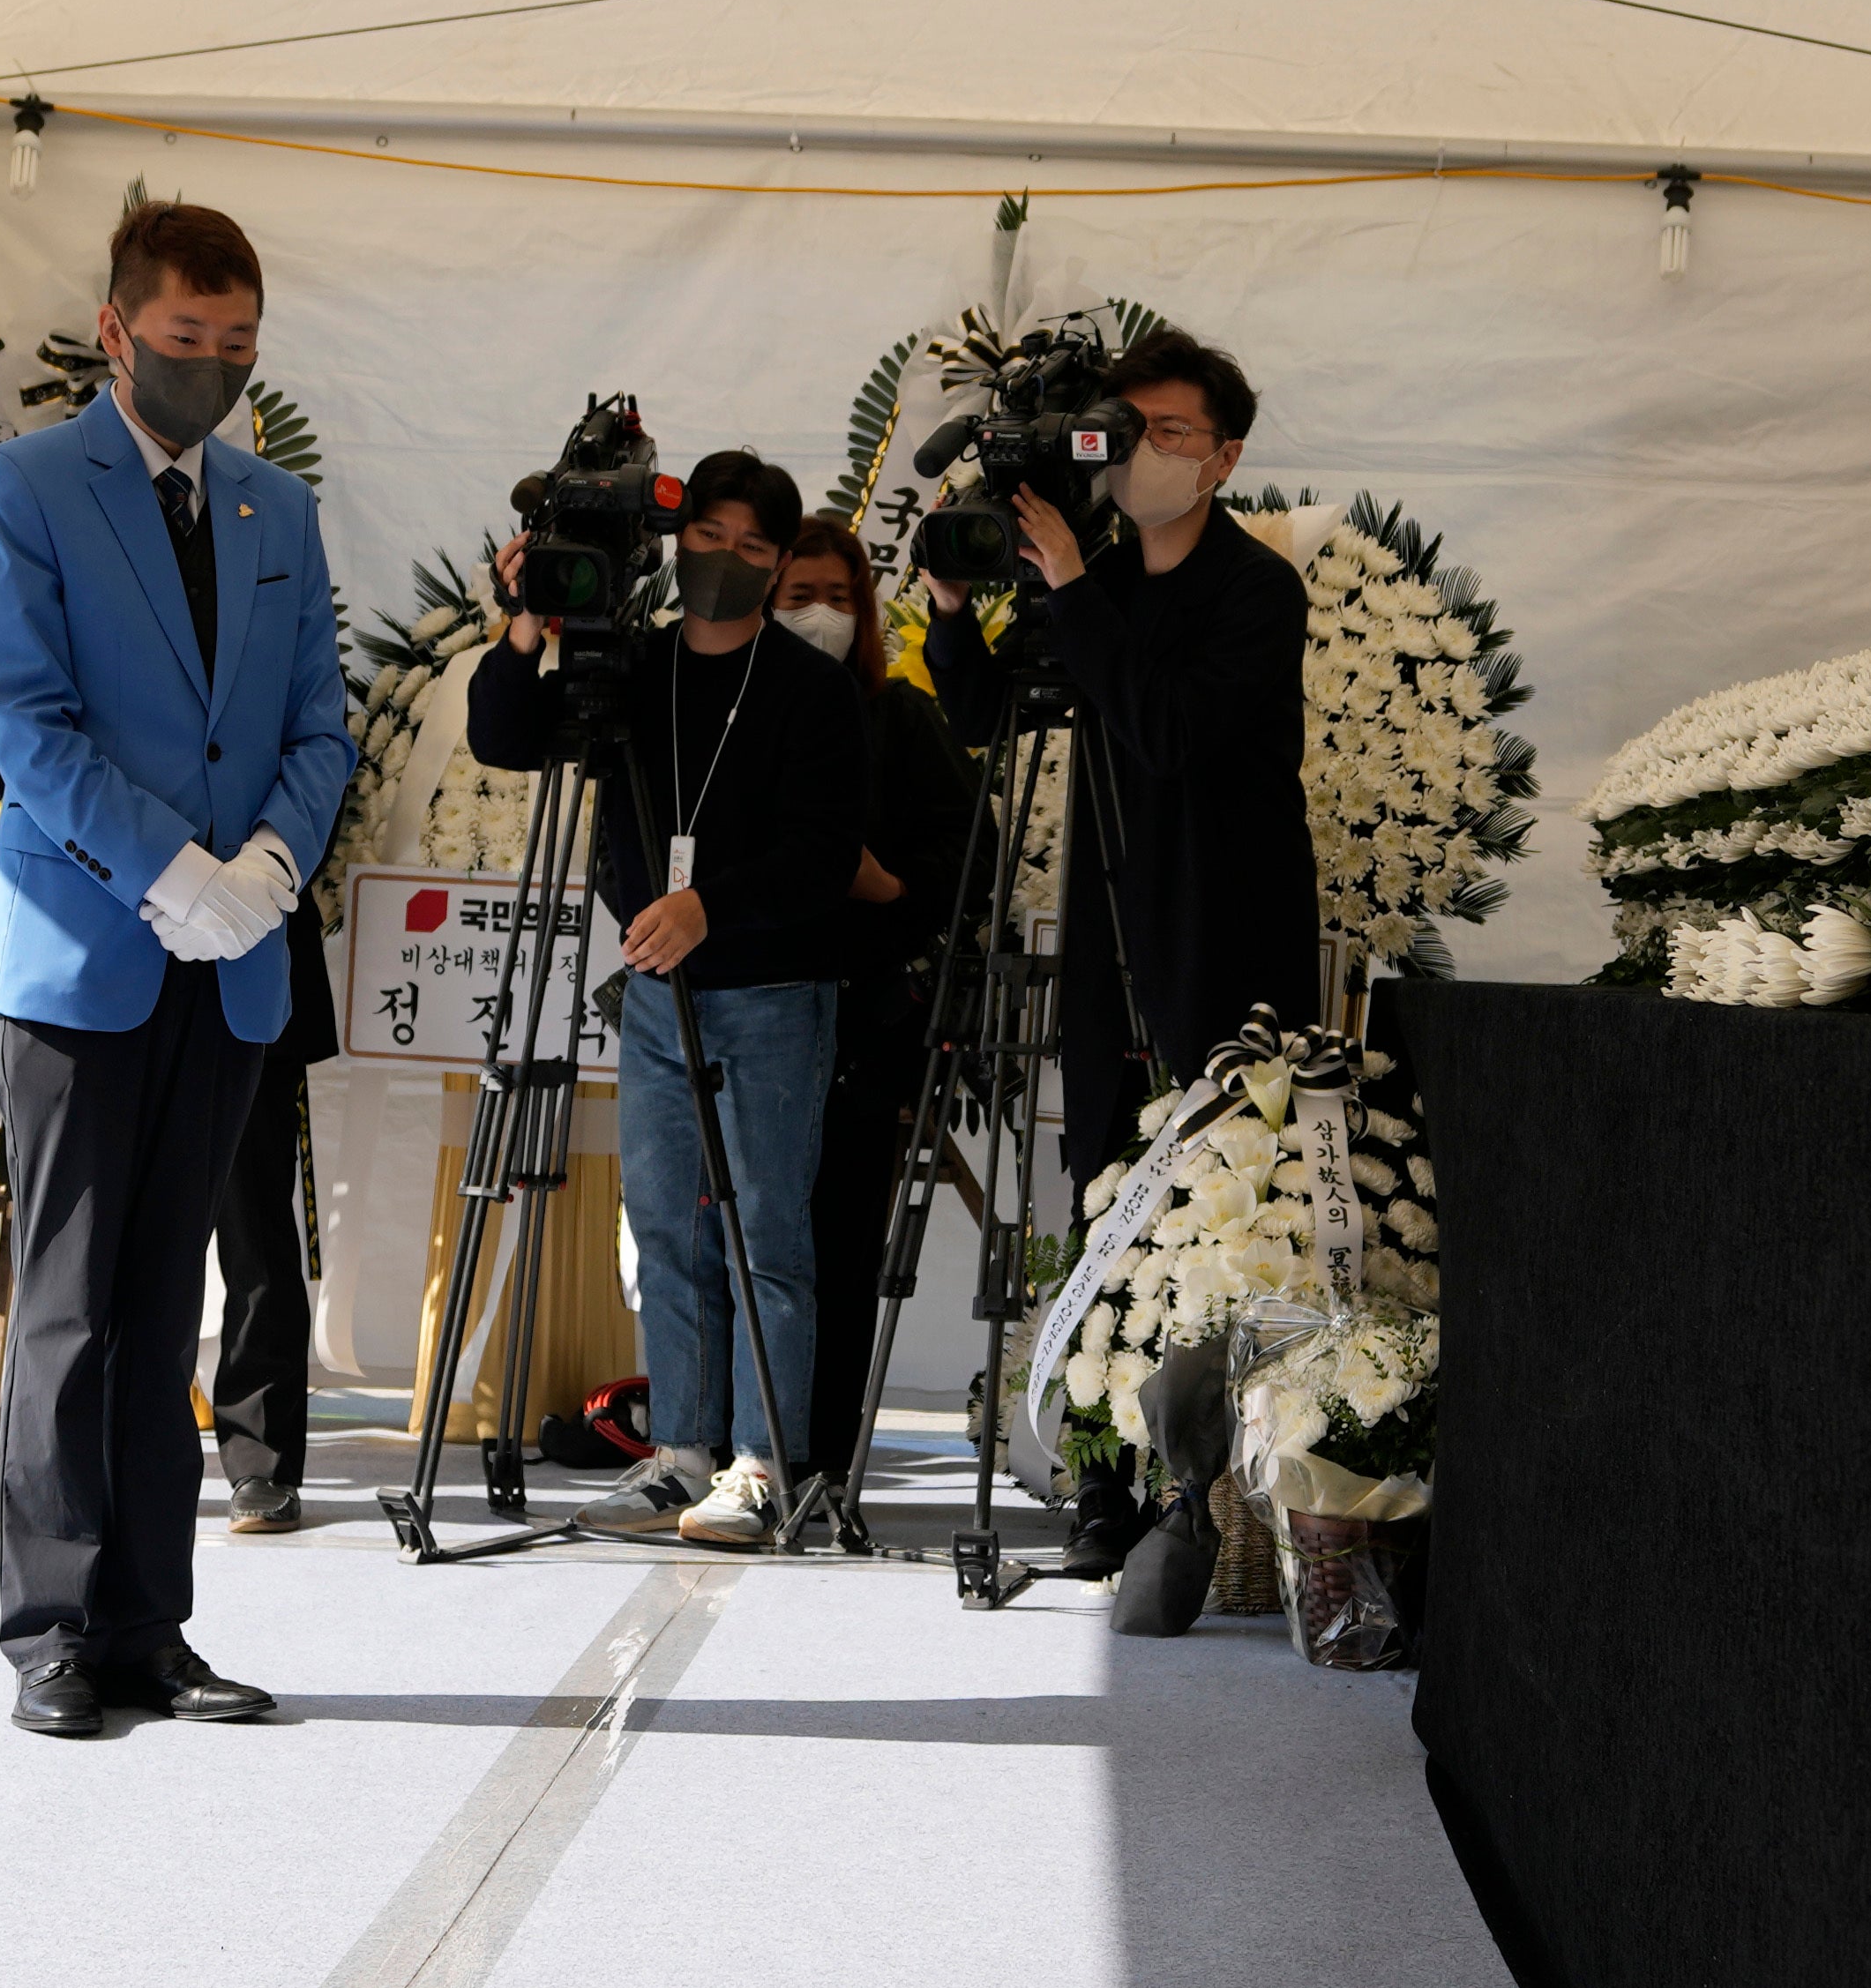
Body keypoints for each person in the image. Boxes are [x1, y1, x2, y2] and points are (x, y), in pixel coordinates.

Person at [0, 201, 351, 1730]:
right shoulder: (24, 488)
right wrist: (164, 869)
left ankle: (148, 1621)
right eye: (185, 342)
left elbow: (318, 719)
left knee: (165, 1292)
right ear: (118, 330)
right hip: (77, 952)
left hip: (230, 955)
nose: (212, 370)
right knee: (66, 1299)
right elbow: (26, 718)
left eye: (237, 347)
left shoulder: (276, 510)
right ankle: (51, 1624)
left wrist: (262, 870)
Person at [927, 326, 1314, 1573]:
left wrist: (1076, 591)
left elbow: (1162, 730)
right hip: (1104, 924)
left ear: (1223, 456)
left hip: (1221, 925)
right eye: (1127, 427)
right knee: (1100, 1180)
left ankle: (1202, 1486)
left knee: (1209, 1200)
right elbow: (991, 714)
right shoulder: (1091, 574)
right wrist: (951, 608)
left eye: (1171, 432)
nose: (1143, 451)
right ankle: (1100, 1483)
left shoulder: (1254, 591)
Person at [467, 447, 870, 1550]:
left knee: (765, 1236)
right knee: (664, 1228)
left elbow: (822, 855)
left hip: (774, 991)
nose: (724, 561)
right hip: (654, 995)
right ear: (673, 544)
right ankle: (679, 1453)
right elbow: (503, 737)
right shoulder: (631, 668)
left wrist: (709, 906)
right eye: (707, 538)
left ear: (780, 562)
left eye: (751, 547)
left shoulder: (811, 690)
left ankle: (761, 1461)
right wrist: (524, 625)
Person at [778, 519, 975, 1489]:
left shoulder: (899, 721)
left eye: (837, 597)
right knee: (739, 1238)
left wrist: (888, 889)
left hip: (862, 1018)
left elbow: (965, 857)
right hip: (747, 1011)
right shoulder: (731, 716)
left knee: (842, 1243)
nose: (817, 614)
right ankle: (736, 1443)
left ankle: (821, 1455)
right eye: (795, 596)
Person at [199, 898, 343, 1536]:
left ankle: (262, 1458)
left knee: (255, 1226)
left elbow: (314, 800)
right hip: (125, 948)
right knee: (124, 1236)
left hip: (254, 934)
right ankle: (115, 1444)